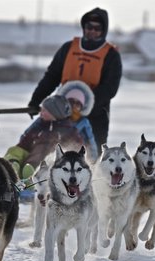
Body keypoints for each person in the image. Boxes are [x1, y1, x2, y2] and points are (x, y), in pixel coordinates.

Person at [27, 7, 122, 155]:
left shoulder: (111, 55)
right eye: (89, 27)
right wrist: (35, 101)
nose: (92, 31)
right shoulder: (68, 48)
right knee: (56, 152)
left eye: (98, 28)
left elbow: (110, 88)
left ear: (104, 31)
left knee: (92, 157)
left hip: (95, 116)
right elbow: (51, 77)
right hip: (62, 113)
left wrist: (83, 105)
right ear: (84, 27)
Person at [4, 94, 83, 180]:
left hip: (49, 165)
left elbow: (77, 147)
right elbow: (25, 142)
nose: (40, 113)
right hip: (30, 160)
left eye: (44, 111)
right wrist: (19, 149)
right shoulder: (39, 126)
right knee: (15, 150)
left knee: (52, 157)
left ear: (55, 113)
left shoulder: (68, 130)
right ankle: (12, 166)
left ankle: (34, 178)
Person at [57, 80, 98, 162]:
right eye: (71, 102)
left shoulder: (84, 122)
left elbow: (90, 140)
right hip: (62, 152)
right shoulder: (60, 119)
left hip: (79, 153)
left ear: (82, 106)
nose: (74, 105)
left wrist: (93, 159)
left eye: (78, 103)